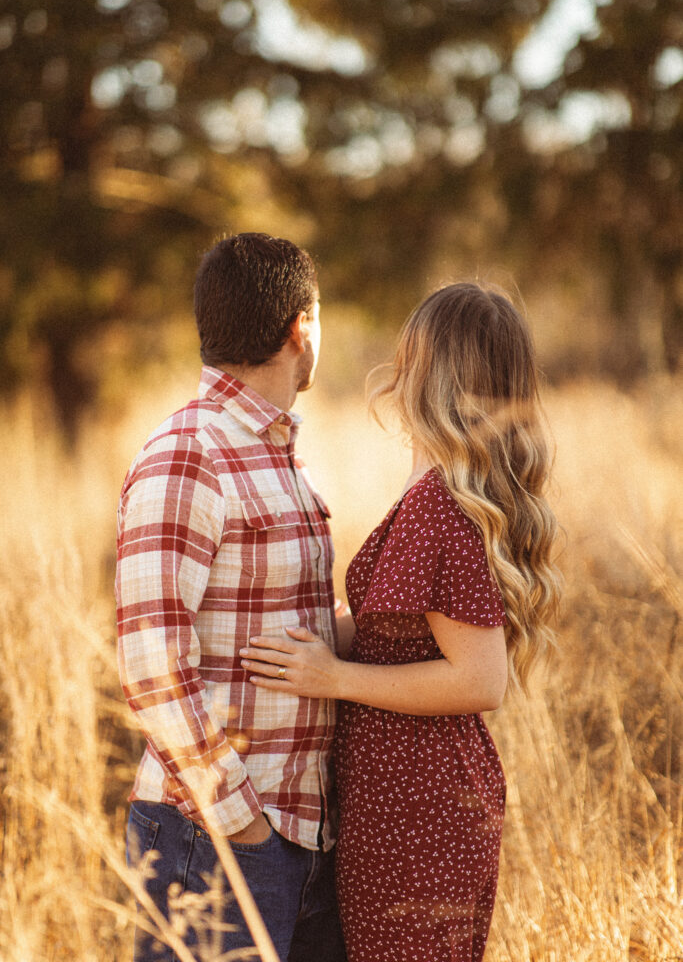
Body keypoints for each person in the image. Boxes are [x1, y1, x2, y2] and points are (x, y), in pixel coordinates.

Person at [239, 283, 562, 962]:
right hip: (397, 799)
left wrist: (334, 677)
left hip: (420, 809)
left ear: (434, 372)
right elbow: (397, 629)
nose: (396, 369)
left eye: (411, 356)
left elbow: (479, 680)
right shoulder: (433, 488)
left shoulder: (441, 508)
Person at [115, 233, 347, 962]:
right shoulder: (190, 454)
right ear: (300, 328)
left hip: (299, 833)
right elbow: (152, 667)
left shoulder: (277, 456)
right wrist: (242, 823)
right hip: (213, 833)